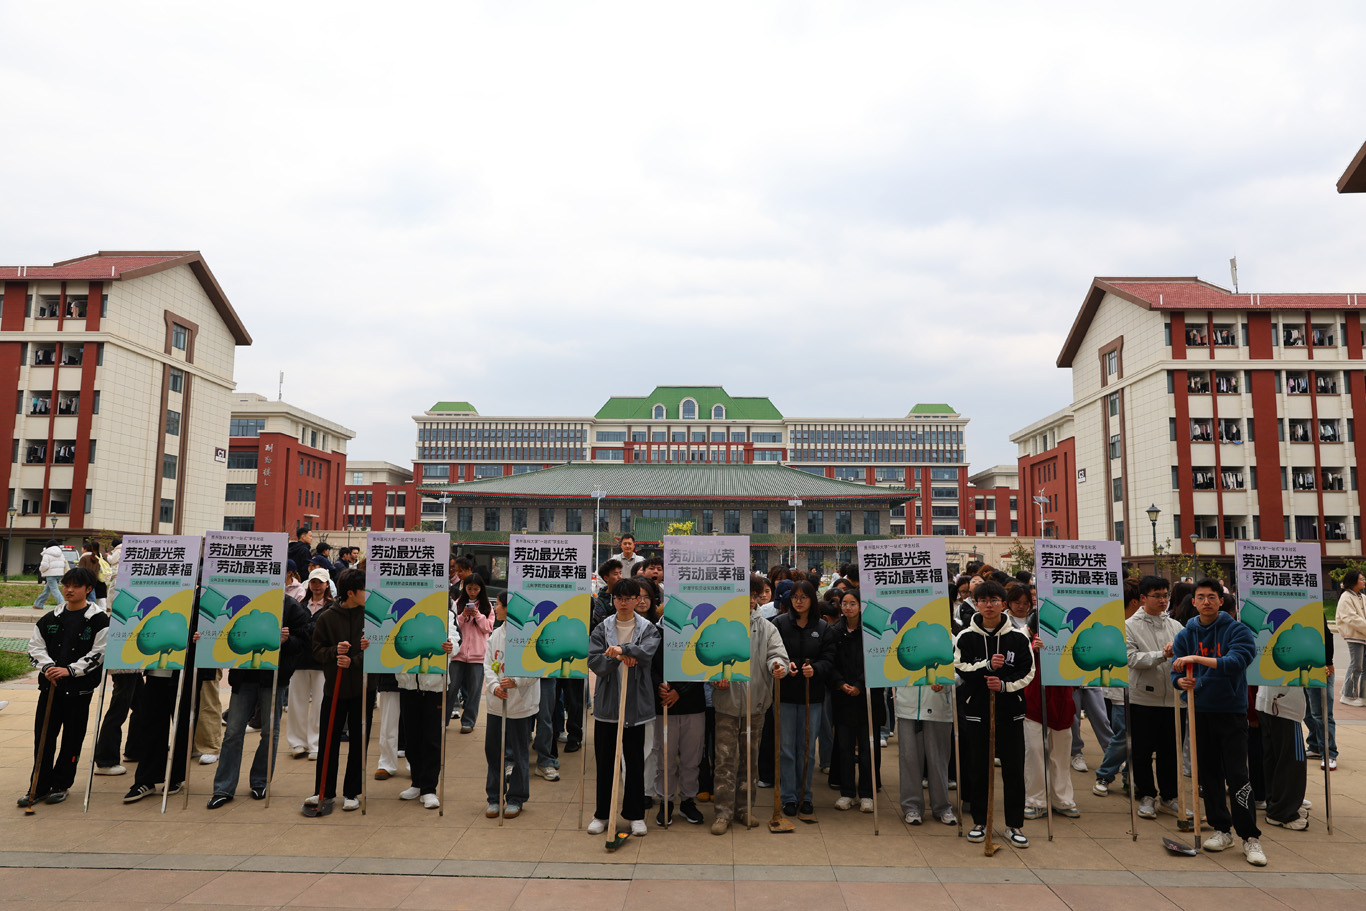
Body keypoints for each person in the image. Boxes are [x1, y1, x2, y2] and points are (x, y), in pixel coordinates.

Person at [1171, 578, 1266, 866]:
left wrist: (1197, 660)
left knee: (1238, 775)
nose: (1206, 602)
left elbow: (1236, 662)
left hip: (1231, 712)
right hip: (1199, 712)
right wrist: (1181, 681)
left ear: (1221, 601)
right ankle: (1221, 829)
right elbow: (1177, 671)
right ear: (1194, 602)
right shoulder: (1185, 634)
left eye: (1212, 597)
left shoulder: (1237, 630)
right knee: (1209, 774)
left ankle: (1250, 836)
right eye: (1201, 597)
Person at [208, 593, 312, 808]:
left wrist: (287, 640)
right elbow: (220, 631)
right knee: (233, 731)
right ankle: (223, 788)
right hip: (243, 676)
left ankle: (260, 781)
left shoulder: (290, 605)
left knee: (269, 732)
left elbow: (304, 642)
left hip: (274, 678)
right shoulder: (241, 599)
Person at [19, 567, 108, 806]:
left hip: (79, 691)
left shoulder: (99, 619)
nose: (69, 590)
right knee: (44, 738)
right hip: (50, 687)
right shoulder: (50, 618)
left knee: (72, 739)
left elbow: (99, 652)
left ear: (88, 589)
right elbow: (35, 646)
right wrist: (48, 667)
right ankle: (37, 787)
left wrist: (70, 670)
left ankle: (61, 784)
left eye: (76, 586)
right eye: (66, 585)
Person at [955, 580, 1034, 848]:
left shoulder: (1018, 637)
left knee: (1013, 769)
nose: (989, 605)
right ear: (975, 603)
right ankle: (980, 821)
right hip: (977, 710)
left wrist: (1004, 685)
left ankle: (1014, 825)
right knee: (979, 768)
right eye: (983, 600)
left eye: (994, 600)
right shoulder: (966, 636)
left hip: (1011, 710)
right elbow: (960, 667)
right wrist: (986, 666)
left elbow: (1028, 672)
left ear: (1004, 604)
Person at [710, 574, 788, 834]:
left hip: (756, 704)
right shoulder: (721, 625)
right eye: (745, 595)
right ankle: (723, 813)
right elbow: (708, 659)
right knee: (724, 760)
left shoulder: (767, 628)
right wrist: (714, 678)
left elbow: (777, 654)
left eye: (754, 595)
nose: (751, 600)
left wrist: (778, 666)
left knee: (750, 760)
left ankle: (745, 809)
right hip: (726, 703)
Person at [586, 578, 662, 837]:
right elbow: (595, 661)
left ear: (637, 600)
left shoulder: (648, 628)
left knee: (635, 761)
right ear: (613, 600)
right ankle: (602, 814)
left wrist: (624, 649)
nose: (624, 603)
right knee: (606, 762)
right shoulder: (602, 627)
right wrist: (620, 656)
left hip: (636, 706)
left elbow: (647, 653)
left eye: (630, 598)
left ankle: (635, 814)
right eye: (619, 598)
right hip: (608, 705)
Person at [305, 568, 372, 813]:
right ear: (351, 593)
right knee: (329, 740)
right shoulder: (328, 617)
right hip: (334, 689)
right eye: (364, 589)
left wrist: (354, 660)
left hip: (363, 690)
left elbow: (379, 651)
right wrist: (335, 652)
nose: (368, 593)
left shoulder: (371, 617)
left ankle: (352, 792)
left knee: (359, 741)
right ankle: (323, 790)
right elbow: (317, 650)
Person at [1124, 576, 1184, 818]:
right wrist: (1162, 655)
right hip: (1142, 699)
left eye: (1165, 595)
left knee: (1171, 752)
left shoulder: (1176, 626)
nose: (1163, 600)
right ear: (1142, 598)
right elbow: (1131, 658)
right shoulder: (1129, 625)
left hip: (1173, 698)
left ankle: (1169, 796)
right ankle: (1147, 795)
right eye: (1157, 596)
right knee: (1142, 751)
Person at [773, 580, 834, 817]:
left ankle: (805, 795)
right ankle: (789, 796)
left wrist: (815, 669)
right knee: (787, 748)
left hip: (813, 696)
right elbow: (772, 653)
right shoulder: (779, 623)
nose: (798, 601)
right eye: (795, 597)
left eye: (804, 597)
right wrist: (783, 664)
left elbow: (829, 659)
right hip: (786, 695)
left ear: (812, 600)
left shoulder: (822, 626)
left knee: (807, 748)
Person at [484, 592, 540, 818]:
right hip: (496, 704)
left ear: (509, 608)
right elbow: (488, 664)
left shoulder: (529, 635)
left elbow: (536, 667)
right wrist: (493, 686)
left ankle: (516, 797)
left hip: (521, 705)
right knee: (493, 752)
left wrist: (517, 681)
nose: (495, 608)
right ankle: (494, 797)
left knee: (518, 754)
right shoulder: (496, 634)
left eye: (498, 605)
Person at [827, 588, 882, 812]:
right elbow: (829, 661)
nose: (848, 607)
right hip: (843, 697)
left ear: (861, 606)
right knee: (845, 748)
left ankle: (867, 793)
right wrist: (840, 683)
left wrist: (860, 684)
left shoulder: (871, 630)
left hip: (867, 697)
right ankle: (847, 792)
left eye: (853, 603)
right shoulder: (834, 632)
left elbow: (878, 660)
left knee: (868, 749)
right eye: (844, 603)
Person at [396, 620, 454, 810]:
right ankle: (417, 782)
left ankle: (429, 788)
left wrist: (451, 646)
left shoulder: (446, 615)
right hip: (408, 685)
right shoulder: (405, 616)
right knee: (411, 738)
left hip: (434, 687)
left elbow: (456, 641)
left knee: (432, 739)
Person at [286, 568, 333, 760]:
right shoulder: (299, 606)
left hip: (322, 663)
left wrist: (308, 630)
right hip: (299, 661)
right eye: (313, 581)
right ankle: (297, 742)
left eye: (320, 582)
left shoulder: (332, 607)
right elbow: (295, 630)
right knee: (296, 703)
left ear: (327, 584)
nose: (316, 585)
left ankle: (316, 743)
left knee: (321, 704)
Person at [1256, 686, 1309, 830]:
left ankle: (1277, 805)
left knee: (1274, 759)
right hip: (1284, 705)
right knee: (1292, 761)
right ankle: (1283, 811)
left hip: (1271, 701)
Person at [451, 574, 494, 733]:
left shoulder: (487, 606)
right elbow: (452, 625)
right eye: (470, 588)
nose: (472, 592)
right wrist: (463, 615)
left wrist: (478, 615)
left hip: (478, 655)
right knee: (451, 688)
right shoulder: (458, 603)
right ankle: (443, 719)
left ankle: (468, 722)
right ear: (465, 587)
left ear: (481, 589)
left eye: (476, 589)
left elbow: (488, 628)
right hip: (458, 653)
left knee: (474, 691)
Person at [1337, 571, 1366, 708]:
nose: (1364, 581)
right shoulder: (1346, 597)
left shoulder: (1362, 597)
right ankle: (1347, 695)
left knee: (1364, 667)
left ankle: (1363, 696)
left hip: (1363, 635)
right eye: (1361, 579)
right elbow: (1350, 618)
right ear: (1354, 581)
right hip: (1354, 636)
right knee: (1356, 666)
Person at [32, 539, 66, 610]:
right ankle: (38, 604)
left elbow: (45, 565)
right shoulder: (60, 553)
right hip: (59, 574)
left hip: (50, 574)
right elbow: (64, 563)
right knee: (46, 591)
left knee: (54, 590)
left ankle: (62, 604)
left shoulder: (47, 553)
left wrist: (41, 569)